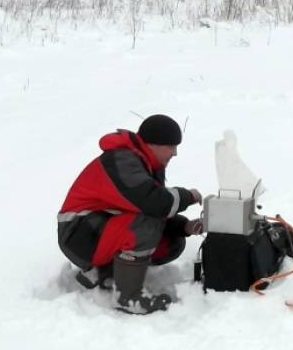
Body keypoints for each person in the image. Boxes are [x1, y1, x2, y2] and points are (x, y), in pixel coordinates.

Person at [57, 114, 204, 314]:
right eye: (171, 146)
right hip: (78, 232)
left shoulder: (142, 162)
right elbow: (153, 202)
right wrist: (188, 196)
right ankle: (128, 297)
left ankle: (102, 273)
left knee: (172, 242)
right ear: (153, 144)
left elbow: (148, 207)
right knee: (145, 224)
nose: (175, 153)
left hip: (98, 228)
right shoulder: (122, 160)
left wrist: (184, 226)